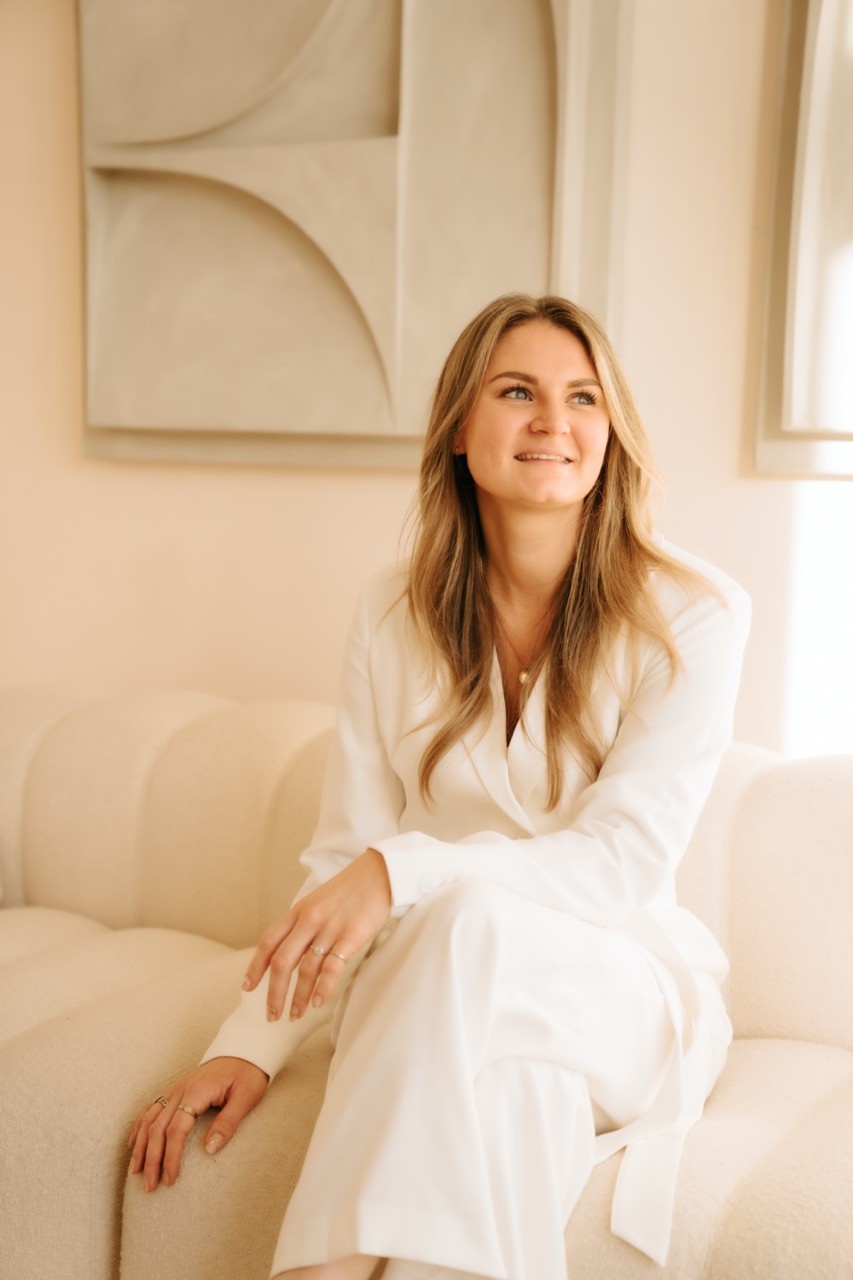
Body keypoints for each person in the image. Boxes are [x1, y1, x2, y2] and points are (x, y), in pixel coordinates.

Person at [128, 294, 750, 1280]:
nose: (554, 420)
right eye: (518, 391)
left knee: (464, 918)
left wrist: (399, 869)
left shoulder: (695, 611)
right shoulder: (390, 609)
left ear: (611, 433)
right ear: (462, 428)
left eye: (583, 396)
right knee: (513, 1098)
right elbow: (342, 854)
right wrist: (250, 1043)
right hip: (447, 988)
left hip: (621, 991)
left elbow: (620, 864)